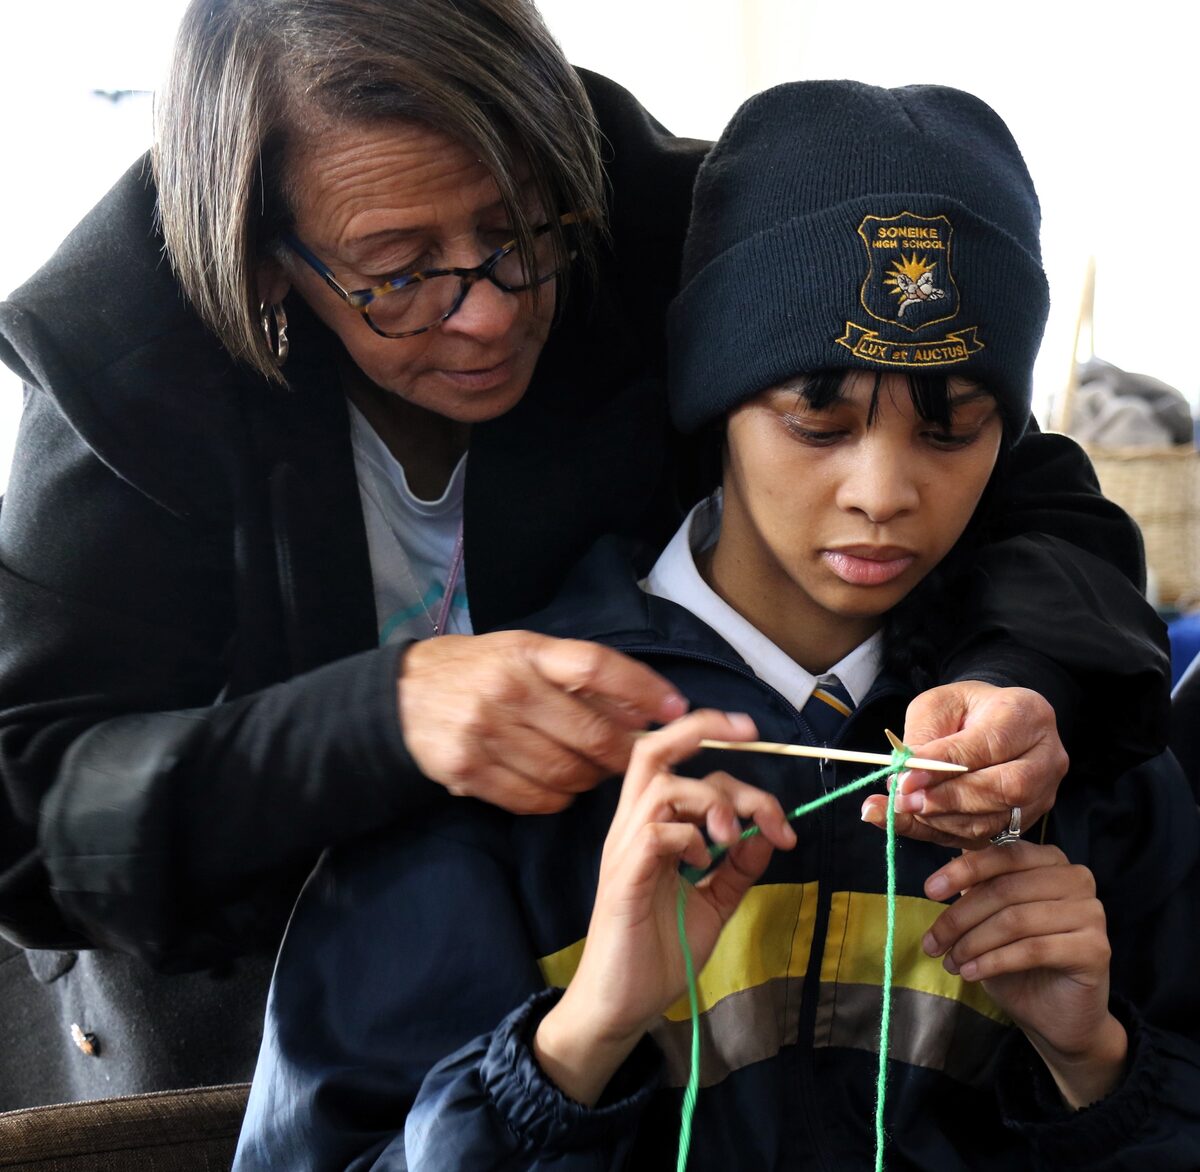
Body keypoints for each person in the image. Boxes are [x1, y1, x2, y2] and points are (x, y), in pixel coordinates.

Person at [0, 0, 1166, 1107]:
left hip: (618, 990)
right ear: (265, 259)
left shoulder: (664, 225)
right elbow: (31, 821)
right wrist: (376, 718)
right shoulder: (123, 367)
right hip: (232, 1015)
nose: (492, 313)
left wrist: (1022, 681)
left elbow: (1033, 492)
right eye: (401, 271)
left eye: (522, 235)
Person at [232, 81, 1200, 1170]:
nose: (882, 491)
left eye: (954, 425)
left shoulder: (1067, 766)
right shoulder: (516, 761)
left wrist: (1098, 1070)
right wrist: (575, 1040)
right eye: (816, 420)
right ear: (713, 397)